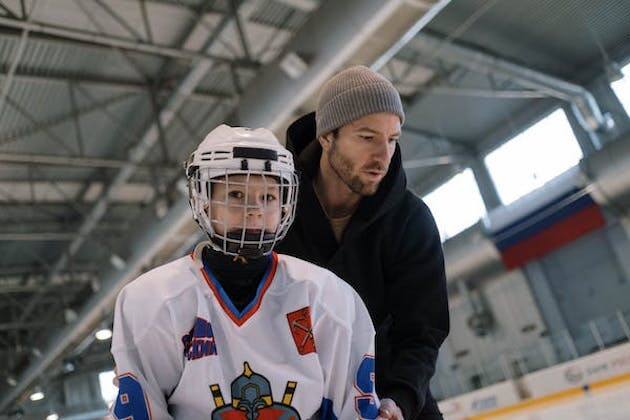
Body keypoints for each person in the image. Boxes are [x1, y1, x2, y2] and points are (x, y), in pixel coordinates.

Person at [110, 125, 380, 419]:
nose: (255, 210)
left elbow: (352, 410)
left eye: (268, 197)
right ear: (204, 200)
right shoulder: (152, 300)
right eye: (236, 194)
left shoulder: (327, 297)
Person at [277, 66, 450, 420]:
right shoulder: (275, 213)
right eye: (367, 137)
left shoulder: (410, 220)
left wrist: (398, 398)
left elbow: (421, 332)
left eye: (392, 139)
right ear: (327, 136)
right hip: (298, 402)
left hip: (391, 398)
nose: (383, 155)